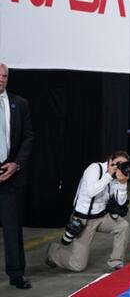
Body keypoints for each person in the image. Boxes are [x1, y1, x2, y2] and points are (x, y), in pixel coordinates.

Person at [46, 151, 130, 272]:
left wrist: (123, 184)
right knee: (78, 265)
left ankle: (116, 260)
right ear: (110, 161)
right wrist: (108, 175)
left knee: (123, 226)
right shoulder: (94, 169)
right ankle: (53, 251)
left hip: (101, 217)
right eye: (118, 163)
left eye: (124, 165)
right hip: (83, 219)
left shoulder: (117, 177)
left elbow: (121, 202)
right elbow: (91, 192)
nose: (120, 167)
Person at [0, 63, 34, 289]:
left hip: (10, 174)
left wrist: (17, 165)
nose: (1, 79)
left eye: (4, 75)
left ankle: (16, 274)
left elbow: (29, 137)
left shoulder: (19, 103)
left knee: (12, 228)